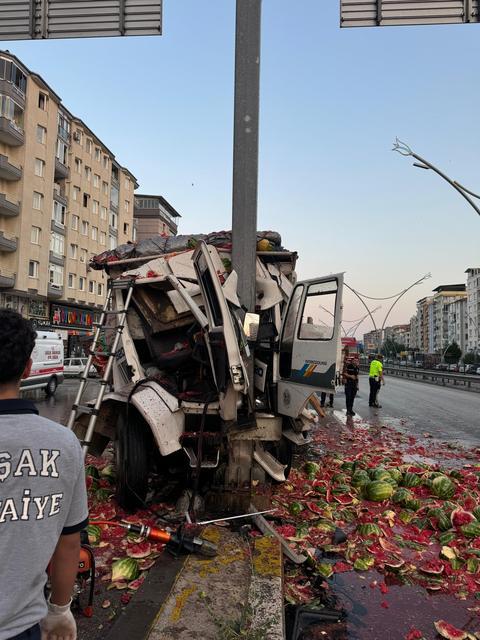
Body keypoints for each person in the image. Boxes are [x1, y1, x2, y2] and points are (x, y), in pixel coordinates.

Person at [0, 309, 88, 640]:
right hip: (21, 626)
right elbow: (68, 543)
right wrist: (60, 609)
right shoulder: (64, 445)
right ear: (27, 368)